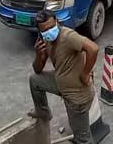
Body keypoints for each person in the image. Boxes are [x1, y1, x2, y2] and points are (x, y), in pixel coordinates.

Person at [29, 9, 100, 144]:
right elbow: (37, 70)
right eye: (45, 30)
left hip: (76, 95)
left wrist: (85, 73)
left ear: (57, 22)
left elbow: (93, 49)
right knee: (34, 80)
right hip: (61, 83)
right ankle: (43, 113)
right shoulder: (45, 40)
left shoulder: (68, 37)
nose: (49, 31)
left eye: (52, 27)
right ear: (39, 31)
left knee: (82, 138)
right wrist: (39, 55)